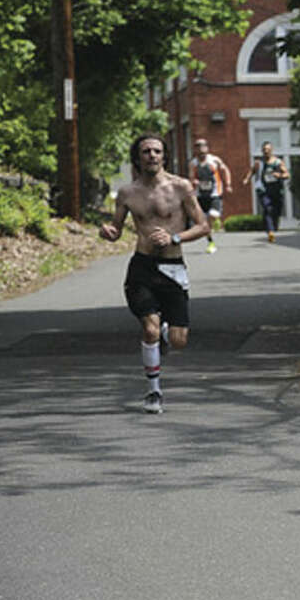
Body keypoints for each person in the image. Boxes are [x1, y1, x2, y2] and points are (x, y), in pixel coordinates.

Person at [99, 134, 210, 414]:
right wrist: (109, 233)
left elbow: (204, 227)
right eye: (146, 151)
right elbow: (116, 229)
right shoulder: (127, 193)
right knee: (148, 329)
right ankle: (154, 391)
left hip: (173, 267)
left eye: (156, 151)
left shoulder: (181, 187)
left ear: (164, 156)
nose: (151, 155)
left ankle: (163, 331)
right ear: (137, 157)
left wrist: (175, 238)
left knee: (178, 341)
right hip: (142, 267)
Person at [188, 138, 232, 253]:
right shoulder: (193, 163)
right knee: (203, 222)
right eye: (198, 148)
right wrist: (194, 182)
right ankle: (210, 242)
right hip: (200, 195)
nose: (201, 150)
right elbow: (191, 177)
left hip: (214, 194)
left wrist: (228, 184)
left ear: (207, 148)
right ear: (195, 150)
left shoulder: (215, 160)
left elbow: (225, 170)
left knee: (213, 214)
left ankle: (216, 219)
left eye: (203, 147)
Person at [242, 141, 289, 242]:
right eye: (264, 150)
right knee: (267, 208)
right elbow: (252, 171)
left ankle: (272, 226)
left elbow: (287, 174)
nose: (266, 152)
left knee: (276, 211)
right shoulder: (259, 163)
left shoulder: (278, 162)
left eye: (268, 150)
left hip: (276, 189)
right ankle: (270, 231)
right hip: (263, 189)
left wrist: (279, 175)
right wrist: (247, 179)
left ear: (272, 150)